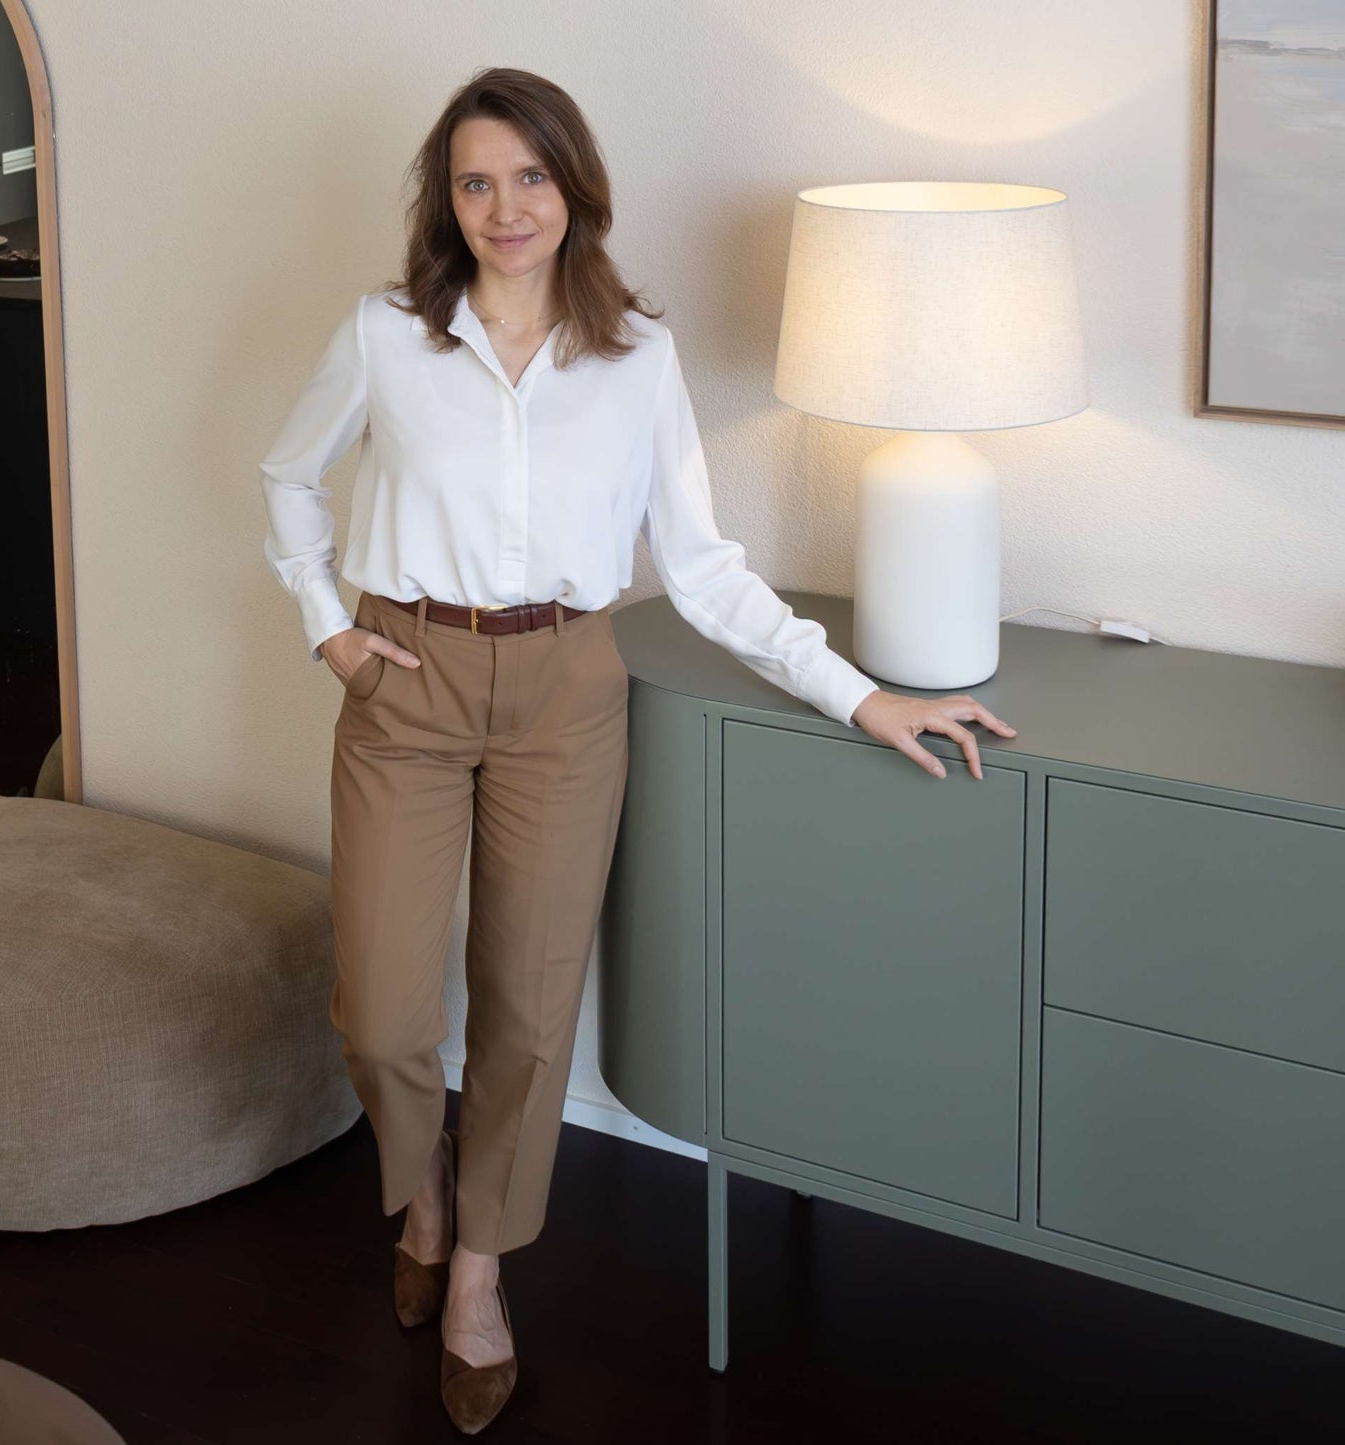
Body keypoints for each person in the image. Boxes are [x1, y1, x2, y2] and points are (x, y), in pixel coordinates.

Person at [258, 65, 1016, 1436]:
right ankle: (418, 1187)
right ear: (447, 197)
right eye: (476, 181)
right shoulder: (385, 335)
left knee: (531, 1013)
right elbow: (287, 474)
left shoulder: (634, 355)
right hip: (406, 680)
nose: (504, 206)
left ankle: (479, 1268)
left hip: (566, 689)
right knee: (379, 1011)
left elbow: (706, 567)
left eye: (530, 177)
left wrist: (862, 697)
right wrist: (328, 629)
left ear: (573, 187)